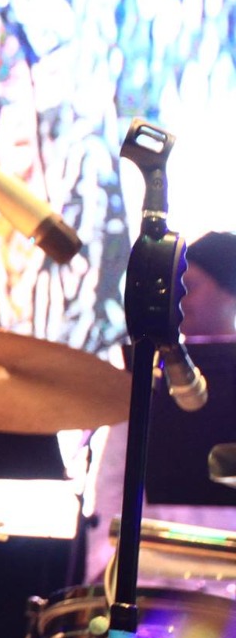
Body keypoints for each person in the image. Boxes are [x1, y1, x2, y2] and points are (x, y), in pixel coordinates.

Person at [86, 231, 236, 586]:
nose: (180, 299)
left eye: (193, 286)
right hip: (153, 585)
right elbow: (113, 483)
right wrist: (107, 569)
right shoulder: (148, 374)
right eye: (176, 288)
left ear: (230, 292)